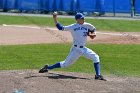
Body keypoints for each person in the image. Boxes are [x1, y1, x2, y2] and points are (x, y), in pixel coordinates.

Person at [39, 12, 106, 81]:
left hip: (83, 48)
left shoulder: (87, 25)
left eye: (83, 18)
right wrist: (55, 18)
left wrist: (94, 34)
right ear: (77, 20)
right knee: (65, 64)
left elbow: (93, 29)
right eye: (81, 18)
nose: (83, 19)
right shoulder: (73, 26)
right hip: (75, 49)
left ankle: (97, 75)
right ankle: (47, 68)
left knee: (96, 57)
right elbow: (60, 27)